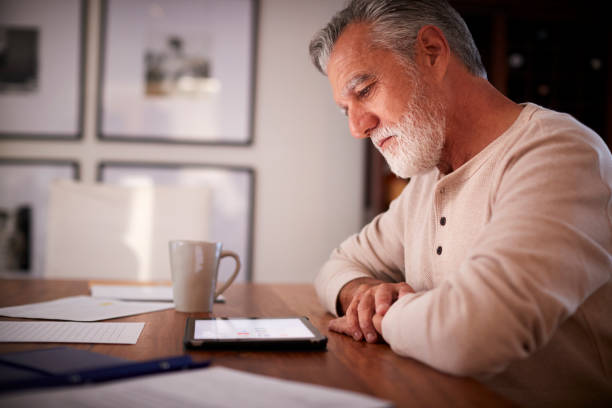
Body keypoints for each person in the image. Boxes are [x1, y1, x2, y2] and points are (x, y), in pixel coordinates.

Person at [308, 0, 612, 405]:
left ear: (432, 52)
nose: (357, 127)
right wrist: (363, 291)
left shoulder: (559, 153)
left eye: (364, 91)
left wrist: (388, 312)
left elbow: (473, 335)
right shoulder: (427, 181)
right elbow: (335, 266)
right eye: (346, 110)